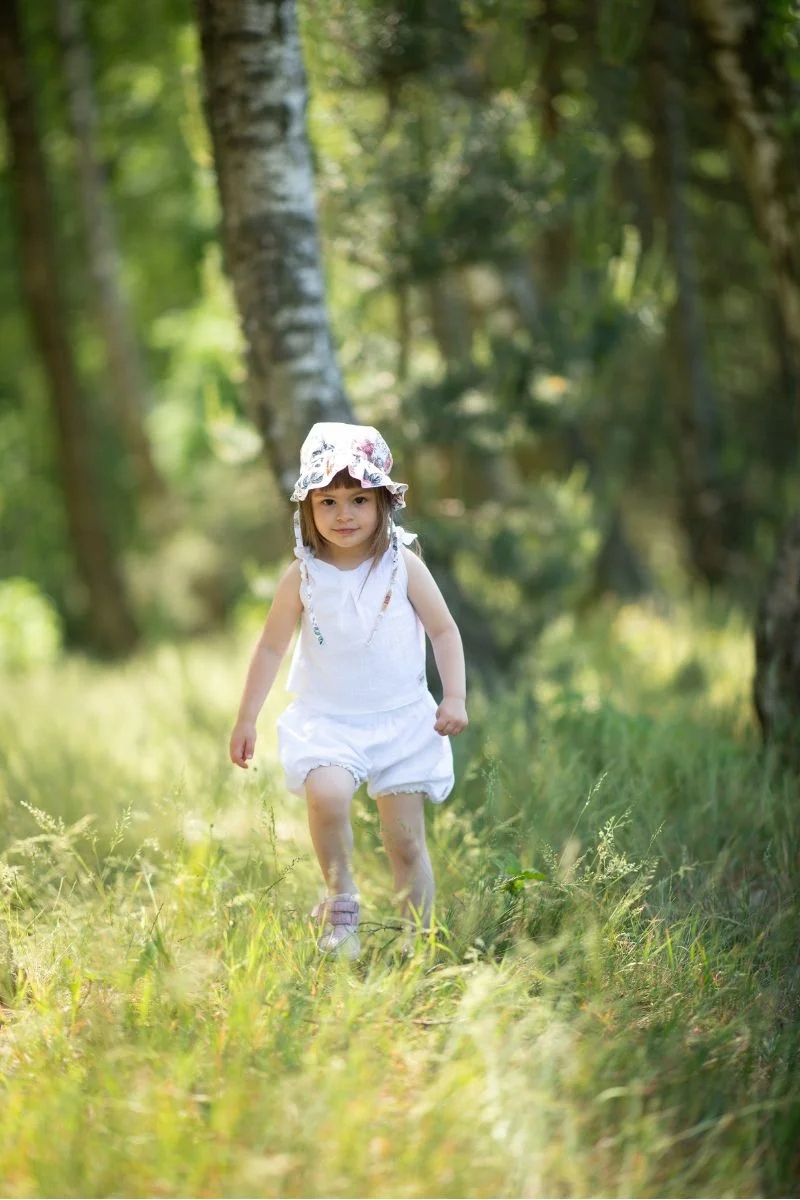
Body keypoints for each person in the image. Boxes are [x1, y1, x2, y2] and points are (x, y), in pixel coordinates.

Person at [229, 422, 468, 958]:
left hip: (402, 721)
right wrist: (246, 717)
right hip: (330, 721)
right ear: (307, 510)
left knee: (405, 841)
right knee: (328, 794)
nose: (344, 514)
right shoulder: (303, 576)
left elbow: (444, 630)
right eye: (328, 501)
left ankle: (419, 938)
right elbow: (270, 648)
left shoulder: (401, 565)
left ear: (384, 502)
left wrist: (454, 696)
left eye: (359, 499)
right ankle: (342, 903)